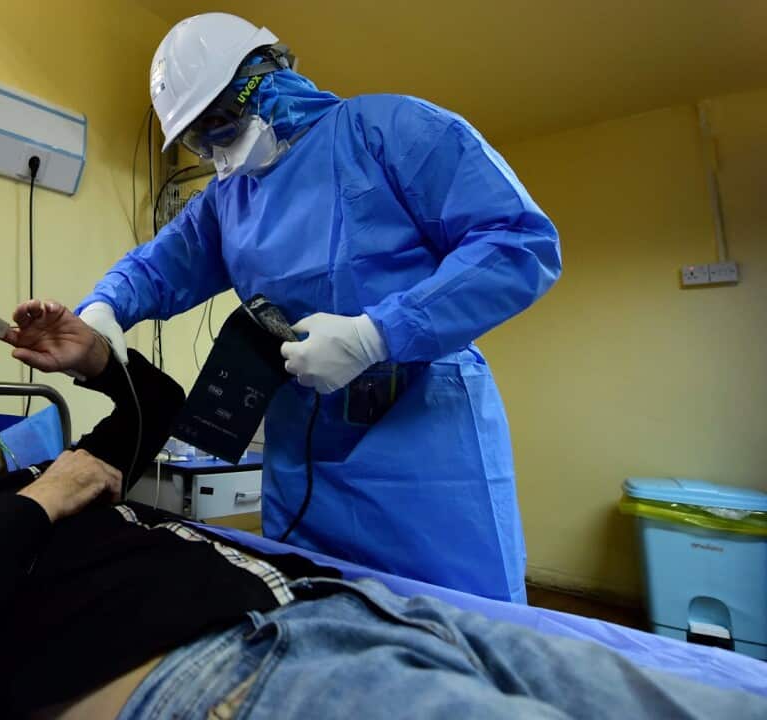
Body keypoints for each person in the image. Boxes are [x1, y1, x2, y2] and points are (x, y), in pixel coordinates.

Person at [0, 300, 763, 720]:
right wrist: (35, 509)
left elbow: (159, 418)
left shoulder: (55, 473)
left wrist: (92, 361)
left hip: (351, 607)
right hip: (210, 671)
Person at [76, 12, 563, 602]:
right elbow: (159, 264)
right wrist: (103, 307)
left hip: (421, 442)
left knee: (458, 624)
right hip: (304, 439)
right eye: (199, 141)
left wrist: (376, 335)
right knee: (315, 613)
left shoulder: (388, 129)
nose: (216, 153)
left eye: (220, 125)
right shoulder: (229, 200)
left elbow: (518, 242)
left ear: (267, 75)